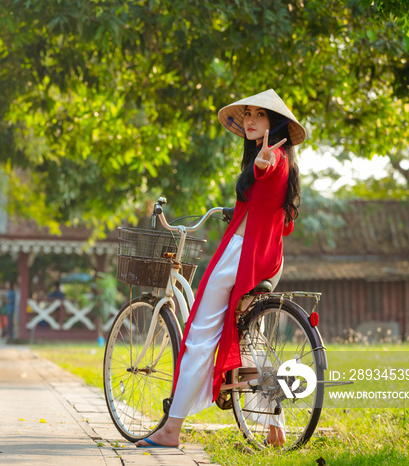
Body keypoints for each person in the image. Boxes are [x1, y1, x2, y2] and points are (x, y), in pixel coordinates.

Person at [136, 89, 304, 449]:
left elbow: (264, 166)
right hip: (268, 257)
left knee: (200, 336)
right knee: (248, 339)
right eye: (246, 114)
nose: (249, 120)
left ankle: (171, 429)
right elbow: (280, 217)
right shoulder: (288, 166)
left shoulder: (270, 156)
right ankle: (275, 425)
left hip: (240, 256)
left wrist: (262, 162)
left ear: (274, 124)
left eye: (259, 115)